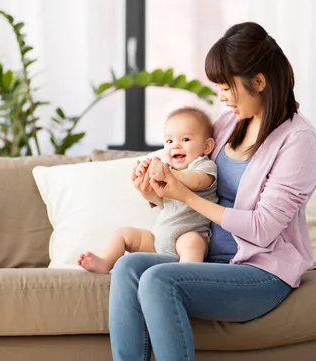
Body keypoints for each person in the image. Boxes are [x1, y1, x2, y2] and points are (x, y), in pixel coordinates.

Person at [108, 21, 316, 361]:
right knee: (128, 267)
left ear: (259, 81)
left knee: (160, 279)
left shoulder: (298, 141)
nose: (221, 97)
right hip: (207, 259)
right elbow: (186, 179)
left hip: (260, 272)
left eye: (226, 87)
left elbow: (262, 229)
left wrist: (186, 195)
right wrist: (152, 188)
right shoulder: (227, 123)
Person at [77, 107, 218, 274]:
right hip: (158, 240)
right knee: (124, 233)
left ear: (207, 146)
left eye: (185, 139)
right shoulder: (170, 167)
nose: (176, 146)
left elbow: (197, 181)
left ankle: (185, 276)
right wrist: (145, 175)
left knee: (193, 243)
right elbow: (161, 199)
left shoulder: (203, 165)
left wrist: (169, 174)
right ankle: (105, 262)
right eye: (169, 141)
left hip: (187, 235)